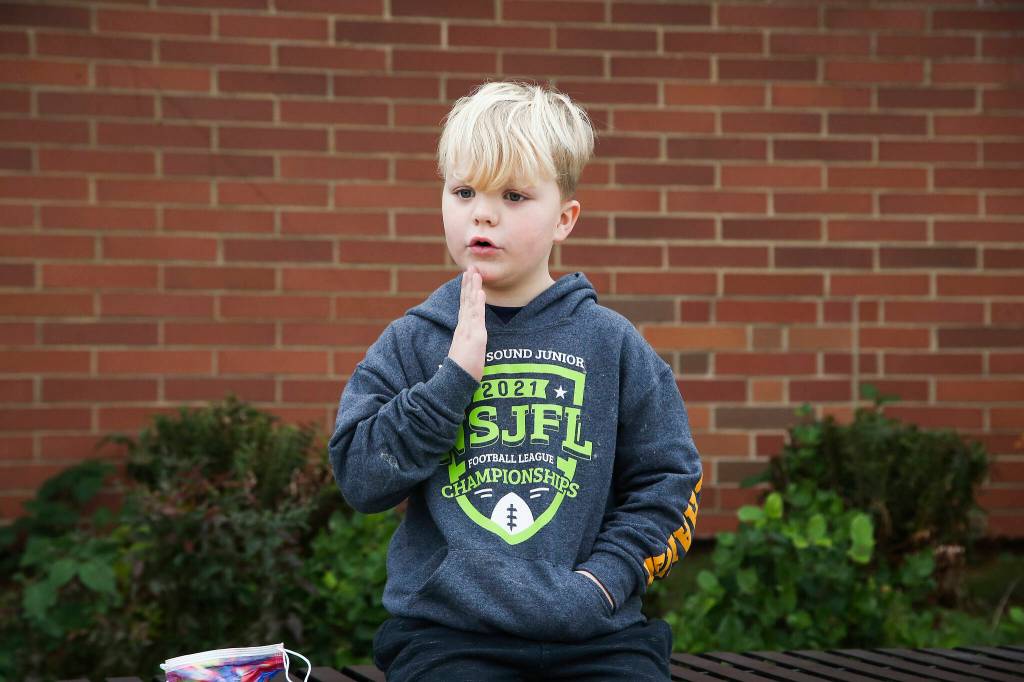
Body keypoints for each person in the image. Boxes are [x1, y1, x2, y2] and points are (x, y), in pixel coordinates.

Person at [328, 80, 703, 681]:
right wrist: (451, 382)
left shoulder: (611, 343)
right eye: (464, 191)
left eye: (513, 195)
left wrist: (605, 582)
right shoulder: (415, 340)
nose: (482, 212)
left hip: (597, 637)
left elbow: (671, 480)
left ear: (564, 219)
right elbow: (359, 477)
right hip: (451, 640)